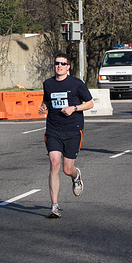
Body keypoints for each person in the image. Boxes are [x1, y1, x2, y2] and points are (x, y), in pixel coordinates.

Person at [38, 53, 94, 219]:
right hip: (53, 129)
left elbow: (90, 103)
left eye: (63, 63)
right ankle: (54, 206)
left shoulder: (76, 83)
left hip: (73, 129)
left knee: (66, 168)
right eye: (57, 63)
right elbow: (46, 101)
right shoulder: (48, 83)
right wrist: (43, 108)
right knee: (54, 164)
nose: (59, 66)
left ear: (68, 67)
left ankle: (76, 176)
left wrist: (74, 108)